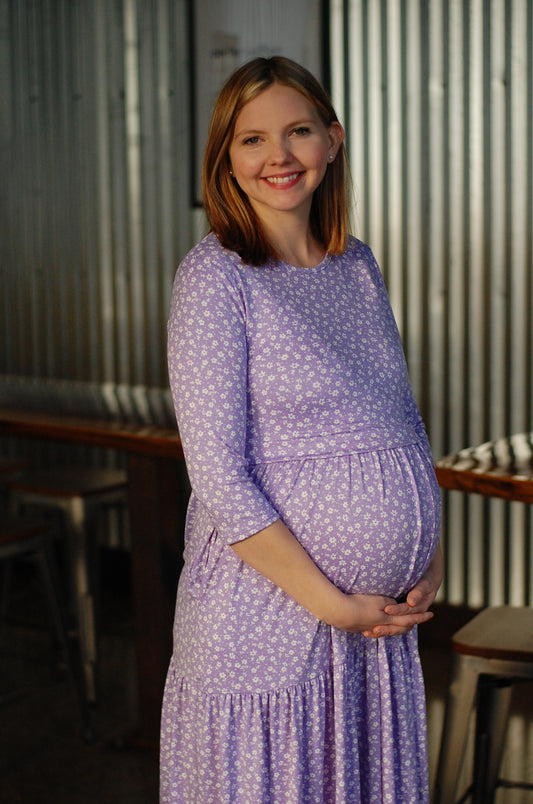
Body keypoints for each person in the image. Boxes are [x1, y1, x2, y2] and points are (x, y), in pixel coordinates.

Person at [161, 56, 443, 804]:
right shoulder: (217, 276)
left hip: (371, 637)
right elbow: (217, 474)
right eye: (251, 140)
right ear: (225, 158)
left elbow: (399, 417)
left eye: (297, 131)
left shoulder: (356, 265)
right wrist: (331, 603)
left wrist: (430, 549)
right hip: (271, 625)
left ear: (333, 139)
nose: (278, 156)